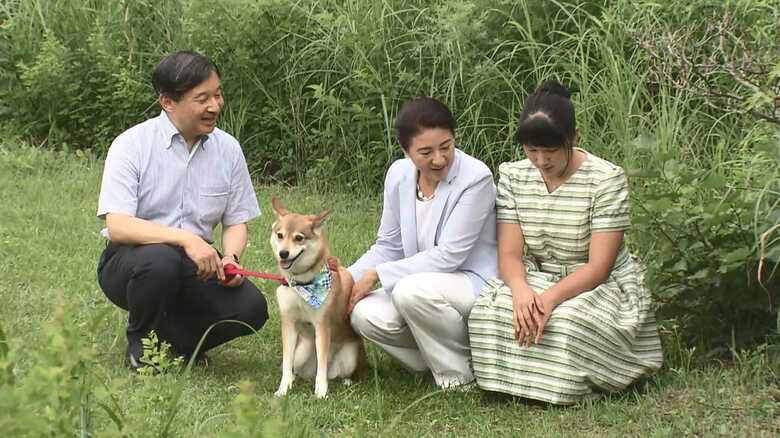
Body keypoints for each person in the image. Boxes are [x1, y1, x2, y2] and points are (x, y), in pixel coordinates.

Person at [468, 80, 663, 404]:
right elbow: (510, 254)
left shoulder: (606, 179)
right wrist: (521, 291)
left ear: (573, 138)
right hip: (538, 273)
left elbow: (599, 267)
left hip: (595, 283)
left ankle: (569, 386)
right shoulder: (514, 176)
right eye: (532, 151)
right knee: (490, 312)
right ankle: (521, 384)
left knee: (568, 322)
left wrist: (549, 299)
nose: (541, 161)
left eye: (550, 151)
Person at [96, 51, 268, 371]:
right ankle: (141, 347)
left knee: (251, 308)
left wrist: (231, 258)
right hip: (133, 261)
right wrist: (186, 239)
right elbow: (118, 225)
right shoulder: (131, 145)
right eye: (202, 99)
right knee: (161, 260)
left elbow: (236, 221)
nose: (215, 106)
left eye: (217, 95)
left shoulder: (228, 150)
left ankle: (176, 344)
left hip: (199, 264)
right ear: (167, 102)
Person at [342, 96, 498, 389]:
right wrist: (346, 278)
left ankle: (459, 377)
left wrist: (377, 274)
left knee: (409, 291)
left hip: (473, 281)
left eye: (446, 147)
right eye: (426, 152)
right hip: (421, 285)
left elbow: (450, 255)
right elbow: (388, 246)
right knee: (364, 315)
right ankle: (430, 361)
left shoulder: (476, 178)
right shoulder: (398, 174)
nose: (439, 159)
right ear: (406, 150)